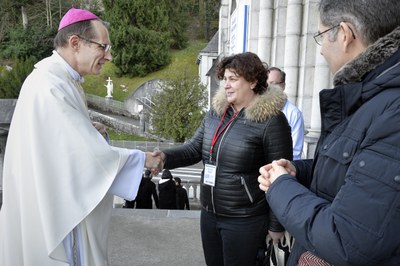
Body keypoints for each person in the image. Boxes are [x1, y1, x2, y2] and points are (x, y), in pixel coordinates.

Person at [0, 7, 163, 265]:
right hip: (53, 210)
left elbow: (63, 143)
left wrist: (88, 130)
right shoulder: (50, 85)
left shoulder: (62, 79)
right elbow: (83, 156)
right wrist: (142, 159)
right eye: (103, 47)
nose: (108, 56)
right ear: (75, 43)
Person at [258, 0, 400, 265]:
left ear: (345, 35)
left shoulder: (391, 109)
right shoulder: (369, 96)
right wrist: (299, 172)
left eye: (322, 36)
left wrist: (280, 187)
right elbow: (358, 173)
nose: (322, 50)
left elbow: (348, 240)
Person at [154, 52, 293, 265]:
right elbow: (193, 149)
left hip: (245, 220)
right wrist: (164, 157)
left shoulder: (272, 121)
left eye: (233, 79)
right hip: (209, 214)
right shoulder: (216, 113)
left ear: (253, 81)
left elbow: (281, 178)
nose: (226, 85)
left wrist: (276, 225)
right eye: (225, 79)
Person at [267, 67, 305, 160]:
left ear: (283, 85)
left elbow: (295, 152)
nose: (269, 88)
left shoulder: (294, 113)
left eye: (274, 84)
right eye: (266, 83)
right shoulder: (255, 108)